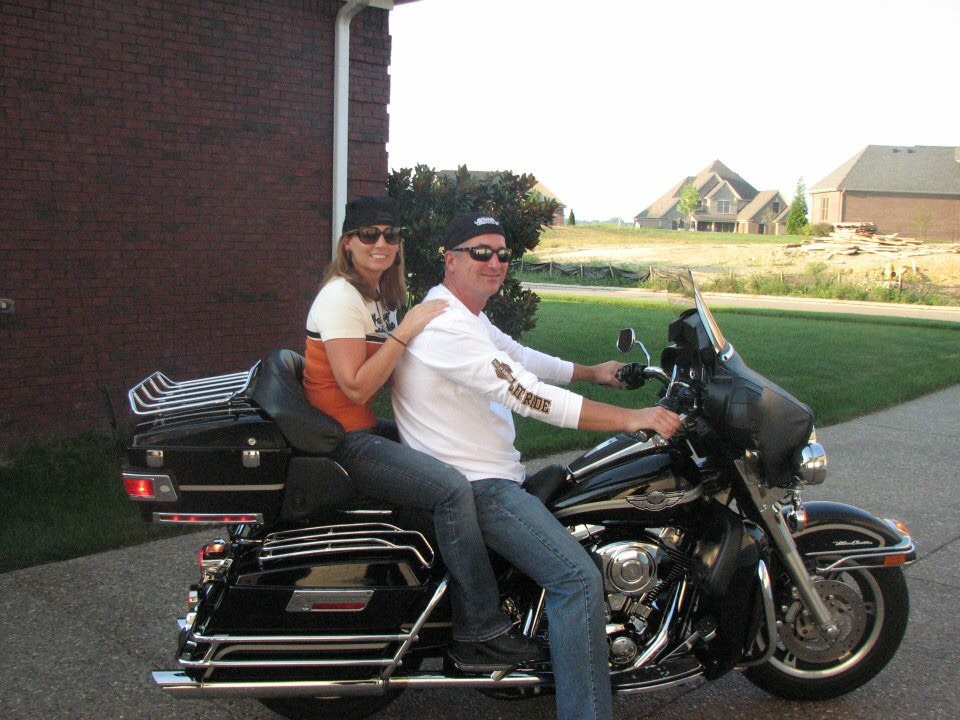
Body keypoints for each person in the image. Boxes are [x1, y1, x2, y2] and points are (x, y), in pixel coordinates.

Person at [391, 212, 682, 720]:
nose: (495, 262)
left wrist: (594, 372)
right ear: (450, 259)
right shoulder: (445, 325)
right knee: (577, 580)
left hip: (489, 474)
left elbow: (521, 358)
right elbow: (526, 394)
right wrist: (631, 418)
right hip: (480, 487)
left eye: (503, 253)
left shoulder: (466, 314)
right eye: (480, 251)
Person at [303, 197, 537, 669]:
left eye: (391, 235)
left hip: (359, 428)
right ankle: (480, 630)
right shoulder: (341, 297)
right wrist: (405, 330)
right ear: (347, 244)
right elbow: (356, 387)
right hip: (342, 440)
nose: (381, 243)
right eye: (368, 234)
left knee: (442, 460)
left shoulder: (376, 296)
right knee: (452, 488)